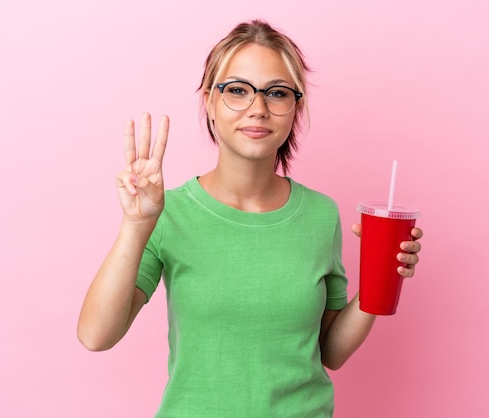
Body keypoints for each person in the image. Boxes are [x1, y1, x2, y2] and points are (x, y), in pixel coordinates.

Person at [77, 19, 423, 417]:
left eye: (276, 93)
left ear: (296, 107)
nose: (258, 109)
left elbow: (330, 352)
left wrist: (382, 274)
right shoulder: (167, 213)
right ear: (209, 101)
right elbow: (95, 335)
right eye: (237, 90)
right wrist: (137, 225)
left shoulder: (321, 214)